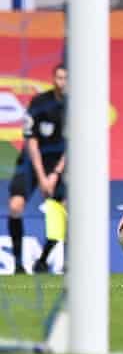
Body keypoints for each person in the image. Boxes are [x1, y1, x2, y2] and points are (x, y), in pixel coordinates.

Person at [7, 64, 67, 274]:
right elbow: (31, 143)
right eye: (59, 78)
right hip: (32, 162)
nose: (62, 82)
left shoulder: (76, 108)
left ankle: (45, 259)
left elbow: (72, 146)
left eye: (66, 78)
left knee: (66, 210)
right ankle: (17, 264)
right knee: (15, 206)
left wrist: (56, 174)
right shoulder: (40, 103)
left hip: (58, 165)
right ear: (53, 79)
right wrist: (42, 177)